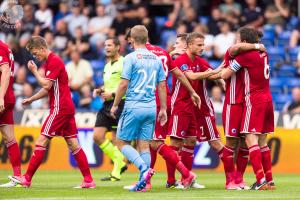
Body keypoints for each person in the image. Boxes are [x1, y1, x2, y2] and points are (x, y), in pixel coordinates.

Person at [8, 36, 95, 189]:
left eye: (36, 53)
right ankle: (88, 180)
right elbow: (49, 87)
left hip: (60, 108)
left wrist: (35, 71)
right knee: (73, 144)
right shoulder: (51, 61)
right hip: (66, 107)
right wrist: (32, 99)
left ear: (42, 48)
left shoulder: (54, 60)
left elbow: (46, 84)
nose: (36, 57)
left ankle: (27, 178)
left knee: (42, 140)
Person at [123, 30, 201, 190]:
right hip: (163, 100)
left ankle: (186, 174)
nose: (130, 45)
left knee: (155, 143)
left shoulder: (141, 55)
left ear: (134, 40)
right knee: (148, 142)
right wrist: (192, 92)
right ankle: (145, 181)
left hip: (152, 100)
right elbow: (178, 74)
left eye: (130, 42)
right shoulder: (162, 52)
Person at [110, 25, 167, 192]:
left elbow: (123, 84)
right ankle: (144, 184)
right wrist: (163, 109)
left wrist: (114, 105)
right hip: (151, 107)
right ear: (147, 39)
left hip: (134, 106)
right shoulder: (156, 59)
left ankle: (144, 169)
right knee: (144, 145)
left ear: (132, 40)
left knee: (121, 142)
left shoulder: (130, 58)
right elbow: (162, 85)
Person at [221, 27, 275, 190]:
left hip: (254, 99)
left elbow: (225, 75)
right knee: (262, 142)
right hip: (267, 99)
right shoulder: (264, 53)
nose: (235, 42)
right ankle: (269, 179)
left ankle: (259, 180)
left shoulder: (246, 56)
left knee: (250, 140)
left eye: (238, 39)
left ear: (244, 42)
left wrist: (219, 71)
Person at [93, 37, 127, 181]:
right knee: (97, 136)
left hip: (120, 103)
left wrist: (112, 94)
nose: (106, 48)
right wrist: (100, 90)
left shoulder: (125, 62)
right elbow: (110, 85)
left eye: (110, 45)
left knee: (116, 139)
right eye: (105, 45)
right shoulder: (107, 66)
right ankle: (121, 163)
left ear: (118, 47)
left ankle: (116, 172)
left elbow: (127, 85)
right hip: (107, 104)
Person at [0, 40, 22, 188]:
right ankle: (18, 177)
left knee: (9, 138)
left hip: (2, 96)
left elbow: (6, 71)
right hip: (8, 96)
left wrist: (0, 96)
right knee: (9, 138)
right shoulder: (5, 47)